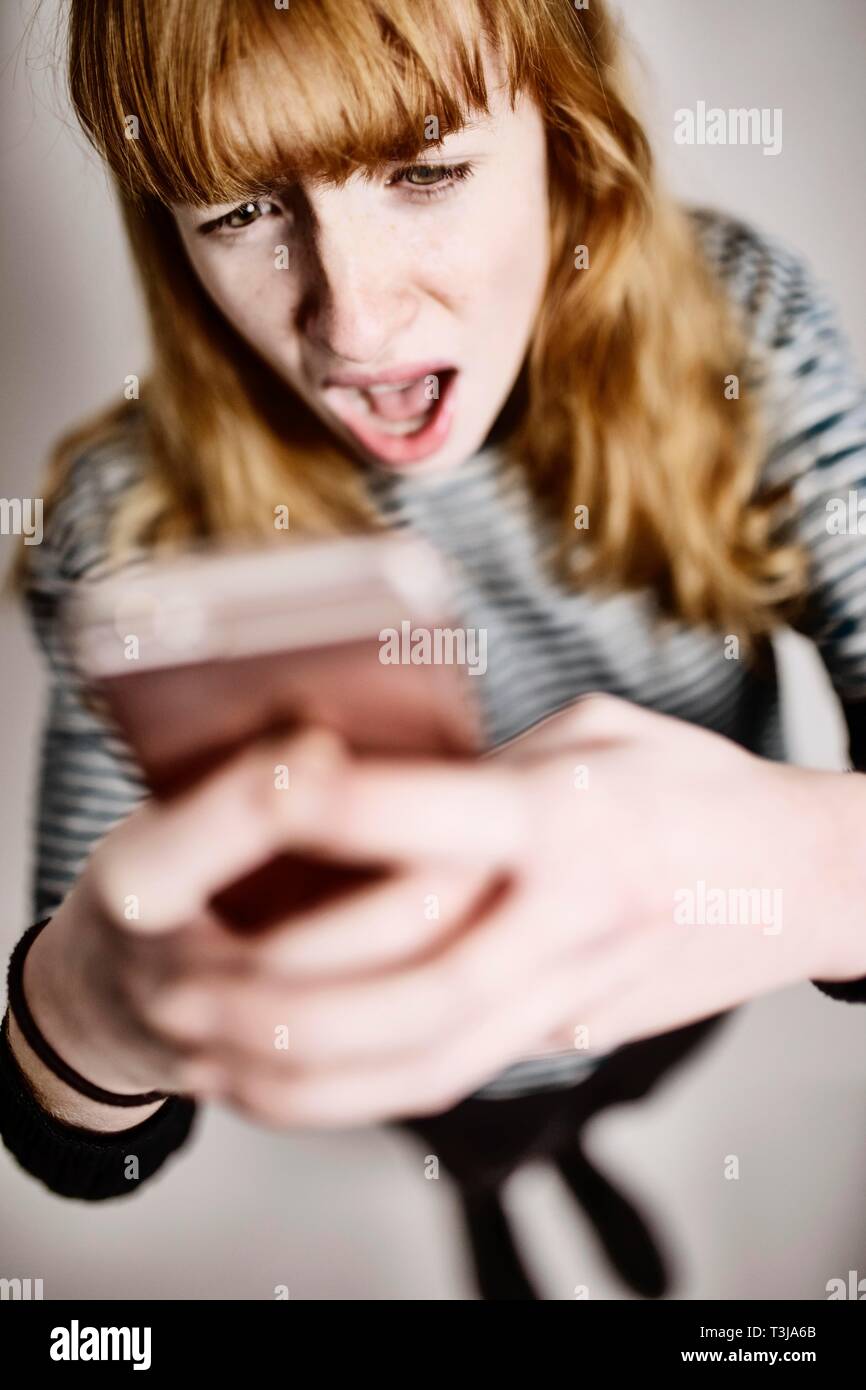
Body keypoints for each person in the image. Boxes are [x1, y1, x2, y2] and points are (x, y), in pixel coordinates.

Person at [3, 0, 866, 1299]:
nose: (354, 328)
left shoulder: (734, 331)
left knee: (591, 1109)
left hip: (661, 1015)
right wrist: (87, 1011)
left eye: (423, 169)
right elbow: (82, 1150)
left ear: (561, 129)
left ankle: (569, 1157)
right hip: (436, 1088)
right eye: (241, 209)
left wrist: (810, 865)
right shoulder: (127, 524)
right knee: (480, 1155)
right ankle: (495, 1193)